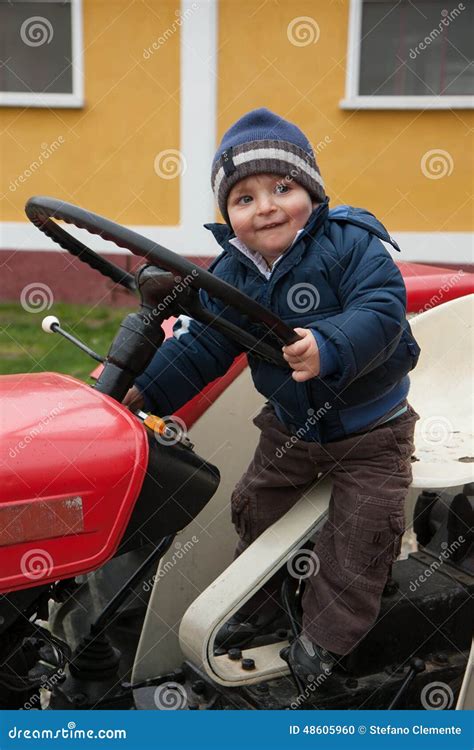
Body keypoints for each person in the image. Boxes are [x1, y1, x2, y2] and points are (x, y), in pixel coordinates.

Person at [123, 108, 421, 684]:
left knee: (361, 535)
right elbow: (203, 346)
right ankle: (258, 609)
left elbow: (382, 311)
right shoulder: (231, 274)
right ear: (228, 216)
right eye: (244, 198)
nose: (266, 206)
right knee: (256, 505)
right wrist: (144, 392)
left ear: (311, 190)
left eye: (282, 188)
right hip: (292, 427)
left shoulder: (350, 244)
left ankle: (326, 646)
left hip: (373, 430)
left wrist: (328, 344)